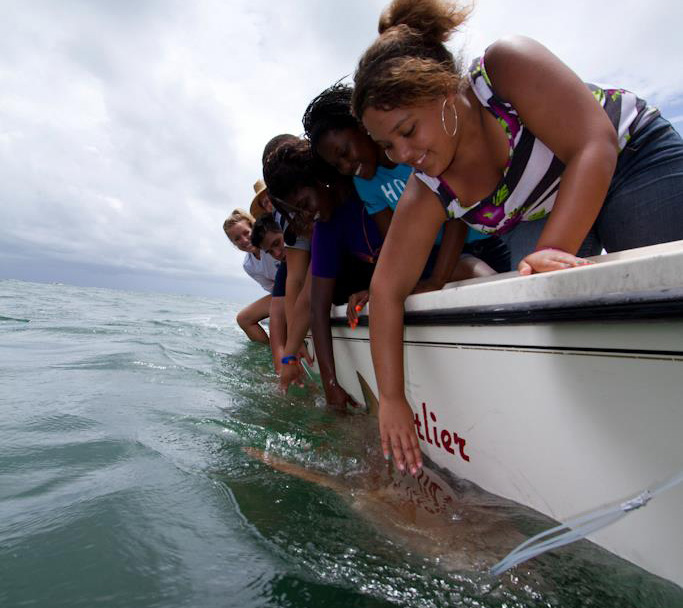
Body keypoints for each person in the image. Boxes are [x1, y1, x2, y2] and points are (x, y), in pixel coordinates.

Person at [351, 0, 683, 474]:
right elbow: (386, 292)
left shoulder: (504, 68)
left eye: (407, 130)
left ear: (443, 91)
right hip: (539, 207)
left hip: (629, 157)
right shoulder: (426, 191)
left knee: (660, 282)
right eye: (387, 145)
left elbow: (594, 143)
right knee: (542, 304)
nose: (403, 154)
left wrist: (553, 250)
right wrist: (391, 398)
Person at [302, 81, 511, 304]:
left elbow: (456, 217)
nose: (345, 166)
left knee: (480, 275)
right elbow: (395, 243)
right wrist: (376, 291)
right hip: (438, 256)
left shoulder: (414, 152)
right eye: (337, 165)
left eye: (344, 152)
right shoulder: (364, 183)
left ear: (364, 126)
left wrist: (437, 280)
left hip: (488, 237)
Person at [264, 138, 382, 409]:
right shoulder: (325, 227)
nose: (307, 215)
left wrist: (378, 287)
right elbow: (315, 303)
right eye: (297, 212)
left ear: (321, 179)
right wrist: (328, 382)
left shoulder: (366, 189)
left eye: (304, 203)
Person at [223, 208, 279, 345]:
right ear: (234, 243)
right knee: (243, 319)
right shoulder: (248, 265)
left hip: (301, 285)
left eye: (246, 233)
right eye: (237, 239)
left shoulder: (272, 244)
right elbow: (272, 288)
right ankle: (268, 351)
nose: (244, 240)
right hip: (281, 293)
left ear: (254, 228)